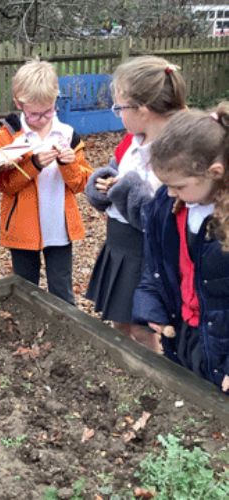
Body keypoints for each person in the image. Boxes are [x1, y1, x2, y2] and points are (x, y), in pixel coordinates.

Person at [84, 56, 186, 351]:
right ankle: (129, 369)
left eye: (120, 108)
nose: (118, 115)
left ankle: (151, 371)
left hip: (146, 251)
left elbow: (163, 217)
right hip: (120, 244)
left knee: (143, 327)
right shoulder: (131, 141)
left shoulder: (176, 151)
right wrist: (103, 184)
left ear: (142, 109)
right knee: (120, 320)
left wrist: (125, 188)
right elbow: (115, 171)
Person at [133, 104, 229, 392]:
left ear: (214, 172)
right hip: (185, 334)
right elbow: (156, 265)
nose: (170, 192)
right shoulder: (168, 205)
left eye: (178, 186)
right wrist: (152, 303)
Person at [0, 60, 92, 304]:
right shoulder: (7, 135)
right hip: (22, 228)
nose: (42, 119)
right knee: (25, 291)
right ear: (19, 103)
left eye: (48, 111)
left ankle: (65, 327)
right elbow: (3, 185)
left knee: (62, 292)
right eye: (34, 114)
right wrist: (34, 164)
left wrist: (68, 164)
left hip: (59, 229)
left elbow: (81, 184)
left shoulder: (67, 134)